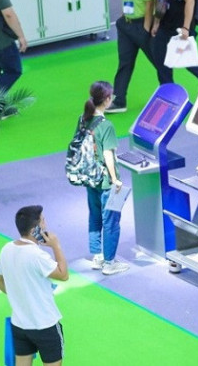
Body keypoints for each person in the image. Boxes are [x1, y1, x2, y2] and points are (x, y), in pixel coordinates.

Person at [0, 205, 68, 366]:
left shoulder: (6, 249)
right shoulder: (37, 255)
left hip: (20, 325)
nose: (45, 225)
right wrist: (56, 246)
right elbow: (63, 274)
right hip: (46, 325)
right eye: (43, 221)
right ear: (35, 230)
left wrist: (19, 296)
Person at [80, 81, 129, 275]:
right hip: (105, 181)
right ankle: (109, 263)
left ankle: (98, 256)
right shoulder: (106, 126)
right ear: (107, 100)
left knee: (94, 215)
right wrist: (115, 179)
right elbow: (108, 154)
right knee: (111, 221)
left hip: (89, 177)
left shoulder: (83, 119)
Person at [105, 0, 156, 114]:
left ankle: (171, 93)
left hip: (142, 25)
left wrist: (146, 28)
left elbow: (149, 3)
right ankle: (119, 100)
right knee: (124, 63)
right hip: (126, 24)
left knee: (159, 62)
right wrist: (123, 16)